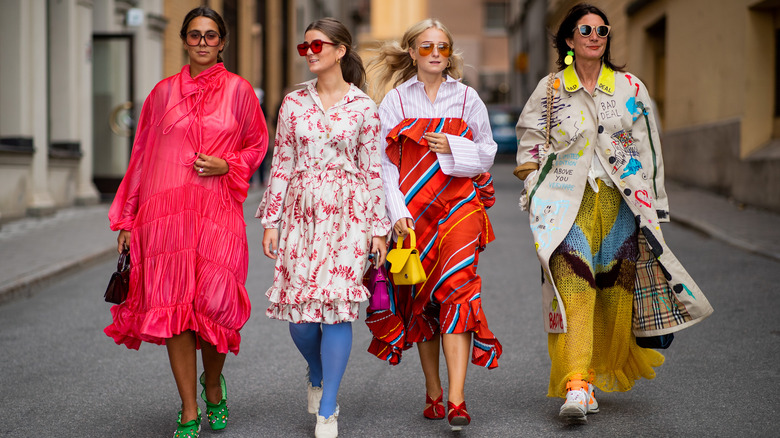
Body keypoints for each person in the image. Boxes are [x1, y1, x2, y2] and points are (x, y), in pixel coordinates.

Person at [514, 2, 713, 423]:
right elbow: (529, 141)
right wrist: (534, 189)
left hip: (622, 205)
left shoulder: (629, 88)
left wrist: (655, 211)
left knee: (613, 294)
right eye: (585, 30)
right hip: (567, 204)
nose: (594, 37)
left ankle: (589, 374)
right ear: (569, 39)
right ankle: (577, 384)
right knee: (575, 289)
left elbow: (650, 149)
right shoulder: (550, 89)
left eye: (602, 31)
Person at [105, 7, 268, 437]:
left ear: (222, 42)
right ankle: (189, 408)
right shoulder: (161, 94)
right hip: (164, 218)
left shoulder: (239, 92)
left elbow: (257, 144)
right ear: (183, 40)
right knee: (176, 310)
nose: (202, 42)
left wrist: (228, 165)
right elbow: (140, 157)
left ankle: (213, 385)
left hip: (218, 214)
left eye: (210, 35)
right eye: (194, 35)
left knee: (215, 306)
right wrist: (127, 218)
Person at [365, 18, 503, 431]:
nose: (437, 54)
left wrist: (454, 147)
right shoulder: (394, 103)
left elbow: (488, 153)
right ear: (412, 52)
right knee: (422, 300)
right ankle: (433, 391)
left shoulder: (467, 99)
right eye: (427, 47)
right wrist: (397, 212)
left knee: (457, 292)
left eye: (443, 46)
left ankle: (457, 399)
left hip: (459, 207)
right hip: (412, 215)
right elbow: (383, 164)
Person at [256, 18, 390, 438]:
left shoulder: (364, 108)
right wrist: (271, 221)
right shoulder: (293, 104)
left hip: (349, 218)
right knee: (300, 318)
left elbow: (373, 172)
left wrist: (378, 229)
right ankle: (315, 372)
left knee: (336, 313)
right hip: (301, 216)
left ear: (340, 51)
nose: (310, 51)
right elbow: (281, 165)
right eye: (305, 47)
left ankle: (328, 406)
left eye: (318, 45)